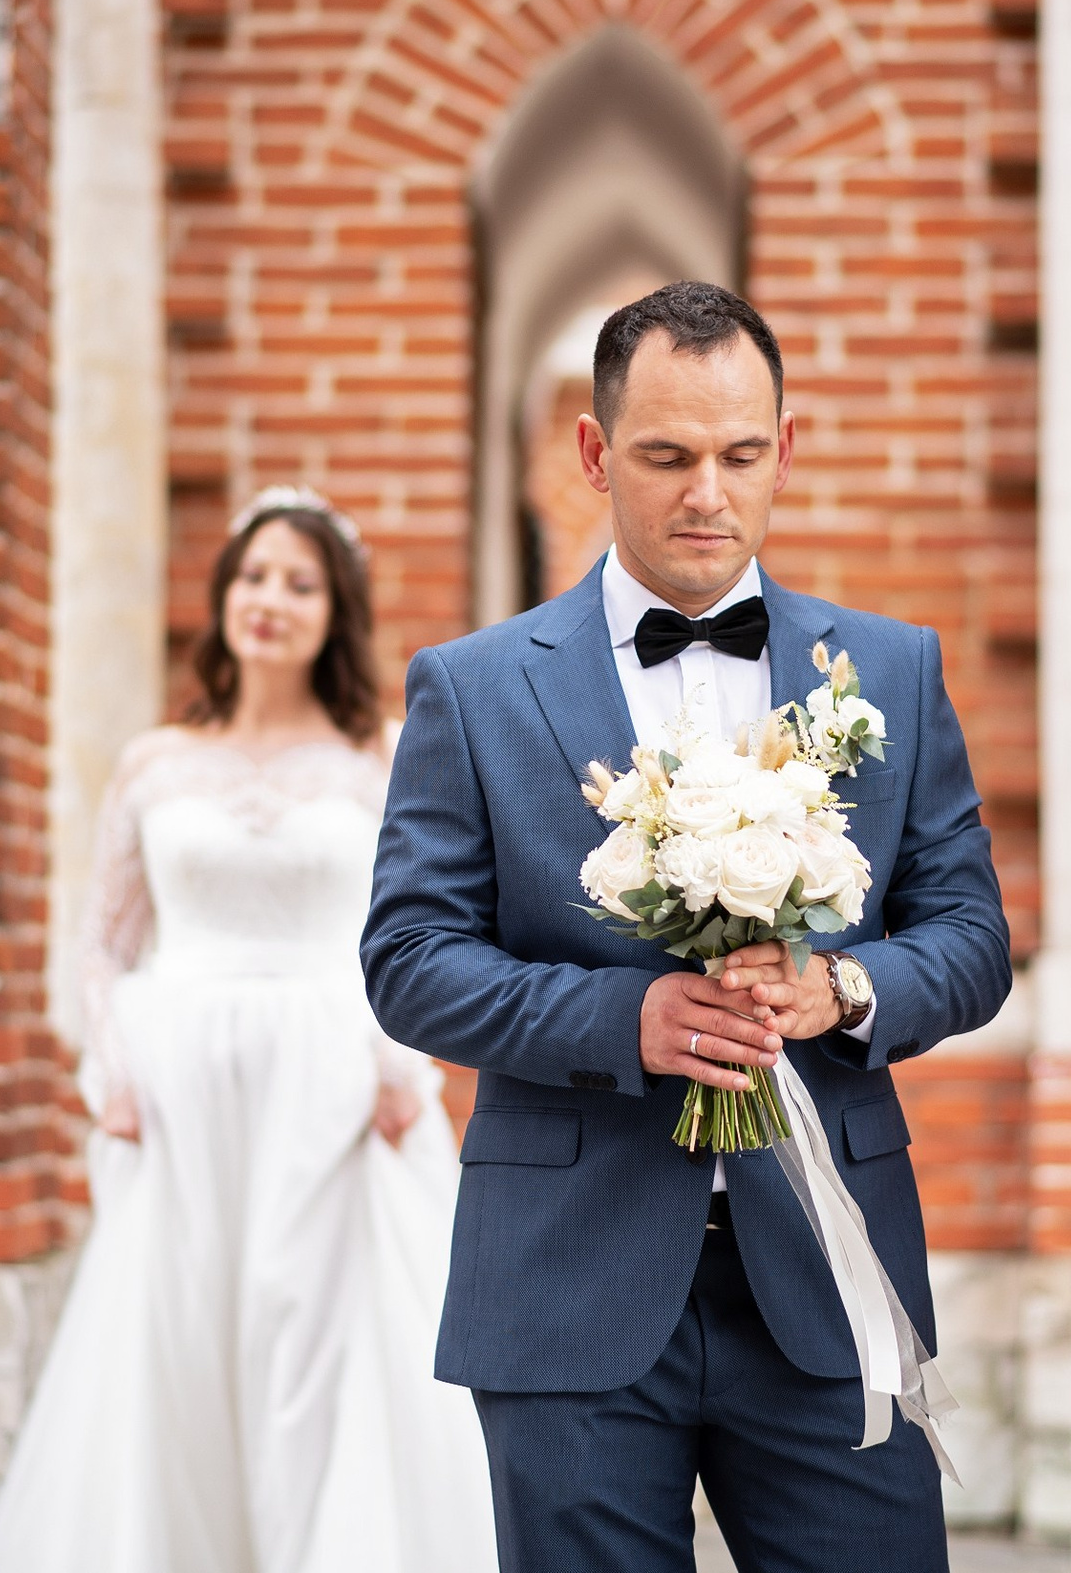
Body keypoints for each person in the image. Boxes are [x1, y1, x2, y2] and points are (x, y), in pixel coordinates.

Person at [361, 281, 1011, 1572]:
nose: (707, 492)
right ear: (595, 452)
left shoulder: (890, 672)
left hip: (826, 1276)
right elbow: (410, 961)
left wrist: (844, 989)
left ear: (787, 449)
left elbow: (971, 935)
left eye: (740, 454)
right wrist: (629, 1017)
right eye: (666, 455)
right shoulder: (473, 689)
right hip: (565, 1280)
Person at [0, 489, 497, 1573]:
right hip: (179, 1092)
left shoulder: (383, 756)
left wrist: (400, 1068)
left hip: (338, 1091)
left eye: (301, 584)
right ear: (221, 596)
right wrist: (111, 1076)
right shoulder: (154, 761)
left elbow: (424, 931)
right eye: (254, 576)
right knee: (179, 1345)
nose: (271, 599)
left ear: (335, 612)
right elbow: (103, 946)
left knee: (324, 1348)